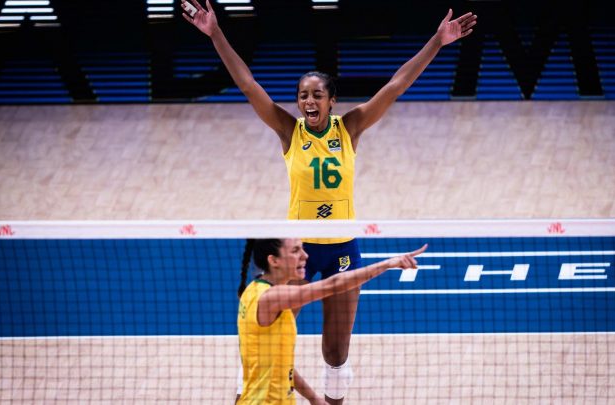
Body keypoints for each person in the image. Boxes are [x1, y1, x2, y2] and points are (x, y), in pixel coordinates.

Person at [181, 1, 476, 402]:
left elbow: (395, 86)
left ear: (331, 100)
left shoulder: (350, 128)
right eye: (303, 95)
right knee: (271, 338)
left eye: (317, 95)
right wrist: (216, 33)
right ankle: (245, 395)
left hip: (341, 246)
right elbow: (249, 84)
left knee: (335, 351)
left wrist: (437, 42)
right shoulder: (289, 132)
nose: (308, 102)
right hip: (298, 253)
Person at [236, 238, 427, 404]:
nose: (305, 255)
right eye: (295, 250)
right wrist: (386, 264)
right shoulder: (273, 298)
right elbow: (333, 285)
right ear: (274, 260)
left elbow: (281, 366)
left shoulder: (252, 291)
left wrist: (314, 398)